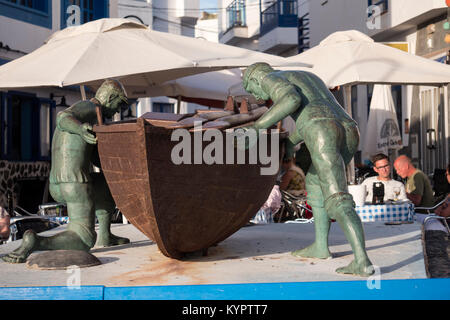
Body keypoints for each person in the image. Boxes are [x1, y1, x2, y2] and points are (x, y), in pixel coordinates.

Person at [241, 62, 374, 276]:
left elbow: (292, 100)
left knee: (338, 199)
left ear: (255, 78)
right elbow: (315, 114)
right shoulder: (304, 75)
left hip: (323, 130)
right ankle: (321, 247)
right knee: (315, 183)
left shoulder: (269, 78)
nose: (258, 97)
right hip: (349, 129)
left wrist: (257, 127)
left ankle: (362, 261)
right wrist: (292, 141)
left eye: (253, 90)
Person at [2, 79, 130, 264]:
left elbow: (96, 158)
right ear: (110, 98)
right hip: (75, 183)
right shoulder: (90, 108)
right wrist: (80, 128)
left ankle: (105, 235)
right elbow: (62, 117)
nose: (119, 111)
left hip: (58, 184)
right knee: (84, 238)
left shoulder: (94, 117)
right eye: (120, 104)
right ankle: (37, 241)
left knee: (104, 184)